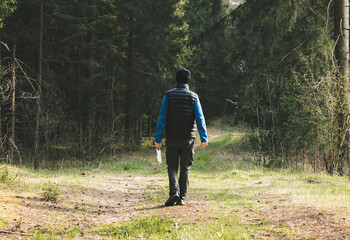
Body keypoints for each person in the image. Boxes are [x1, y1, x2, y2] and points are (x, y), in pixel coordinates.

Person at [154, 68, 208, 206]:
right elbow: (200, 118)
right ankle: (182, 198)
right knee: (185, 167)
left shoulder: (168, 95)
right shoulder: (194, 97)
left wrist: (158, 138)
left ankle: (174, 192)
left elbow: (162, 117)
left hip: (172, 136)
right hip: (188, 138)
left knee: (172, 166)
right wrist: (204, 137)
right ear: (188, 80)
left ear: (176, 79)